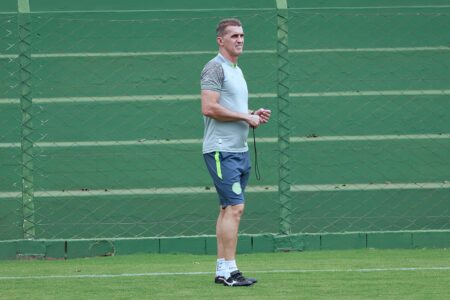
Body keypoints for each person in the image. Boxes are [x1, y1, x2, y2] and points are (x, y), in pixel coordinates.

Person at [200, 18, 271, 287]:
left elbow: (230, 107)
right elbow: (209, 107)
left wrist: (252, 114)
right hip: (221, 150)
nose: (240, 40)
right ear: (221, 40)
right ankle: (230, 271)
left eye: (242, 35)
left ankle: (223, 270)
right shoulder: (214, 68)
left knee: (227, 209)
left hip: (239, 150)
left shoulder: (236, 70)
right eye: (234, 36)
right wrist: (245, 116)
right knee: (235, 208)